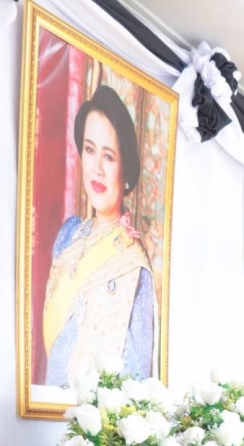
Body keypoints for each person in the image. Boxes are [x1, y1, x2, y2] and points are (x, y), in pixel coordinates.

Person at [42, 84, 155, 387]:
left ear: (125, 170)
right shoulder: (68, 236)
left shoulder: (133, 263)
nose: (97, 169)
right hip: (47, 403)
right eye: (90, 150)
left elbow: (136, 377)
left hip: (94, 413)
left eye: (109, 156)